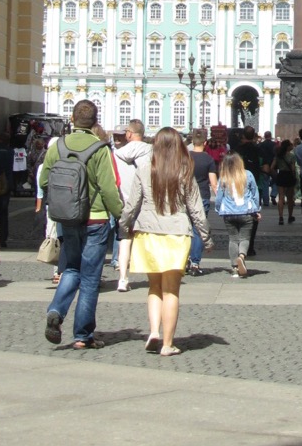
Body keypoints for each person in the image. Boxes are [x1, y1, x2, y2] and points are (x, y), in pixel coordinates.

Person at [38, 99, 123, 350]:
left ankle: (56, 311)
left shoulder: (58, 146)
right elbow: (109, 189)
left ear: (72, 119)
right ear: (95, 122)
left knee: (71, 269)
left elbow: (44, 182)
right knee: (89, 277)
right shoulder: (100, 149)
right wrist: (120, 215)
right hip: (94, 219)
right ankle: (82, 335)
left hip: (67, 219)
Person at [119, 127, 211, 355]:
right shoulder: (185, 170)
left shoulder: (144, 168)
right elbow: (196, 208)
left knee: (154, 287)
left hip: (148, 233)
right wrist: (206, 237)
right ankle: (168, 344)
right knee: (171, 291)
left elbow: (132, 204)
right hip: (176, 235)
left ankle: (153, 332)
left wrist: (124, 225)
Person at [114, 119, 152, 291]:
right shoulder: (151, 152)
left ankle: (123, 278)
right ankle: (153, 275)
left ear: (129, 134)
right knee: (149, 239)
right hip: (146, 203)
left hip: (125, 202)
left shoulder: (117, 154)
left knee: (125, 240)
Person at [215, 150, 261, 277]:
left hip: (229, 213)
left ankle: (235, 267)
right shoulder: (248, 175)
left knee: (233, 239)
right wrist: (257, 210)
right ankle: (241, 255)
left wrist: (218, 209)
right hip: (246, 211)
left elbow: (219, 197)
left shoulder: (224, 177)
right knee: (245, 238)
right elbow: (255, 193)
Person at [187, 128, 218, 275]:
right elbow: (213, 183)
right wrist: (220, 197)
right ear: (205, 142)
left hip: (186, 196)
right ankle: (195, 263)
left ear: (193, 141)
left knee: (185, 229)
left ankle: (183, 260)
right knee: (199, 229)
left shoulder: (185, 157)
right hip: (203, 196)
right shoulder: (208, 159)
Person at [238, 126, 263, 256]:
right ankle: (250, 245)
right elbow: (263, 165)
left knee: (237, 213)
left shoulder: (237, 150)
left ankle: (239, 243)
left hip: (238, 184)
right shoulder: (258, 149)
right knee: (253, 215)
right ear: (254, 136)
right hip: (254, 186)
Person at [271, 138, 297, 223]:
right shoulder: (291, 155)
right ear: (288, 146)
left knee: (281, 197)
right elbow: (293, 169)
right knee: (290, 198)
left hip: (281, 175)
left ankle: (281, 217)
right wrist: (294, 177)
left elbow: (272, 167)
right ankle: (290, 216)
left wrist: (276, 175)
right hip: (289, 175)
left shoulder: (278, 155)